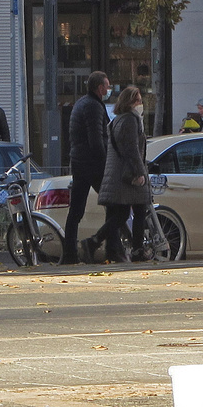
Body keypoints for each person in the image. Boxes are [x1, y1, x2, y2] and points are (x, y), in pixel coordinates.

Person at [94, 85, 151, 263]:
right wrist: (140, 172)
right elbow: (131, 150)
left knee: (123, 214)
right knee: (136, 211)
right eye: (139, 101)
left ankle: (98, 243)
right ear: (131, 102)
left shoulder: (118, 120)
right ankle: (136, 250)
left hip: (117, 174)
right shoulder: (130, 120)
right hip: (127, 175)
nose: (141, 104)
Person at [64, 71, 110, 264]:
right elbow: (96, 140)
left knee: (75, 211)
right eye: (107, 87)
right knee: (114, 205)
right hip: (92, 165)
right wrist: (107, 162)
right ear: (100, 88)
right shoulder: (94, 106)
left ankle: (70, 254)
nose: (108, 90)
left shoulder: (81, 103)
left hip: (79, 162)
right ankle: (109, 247)